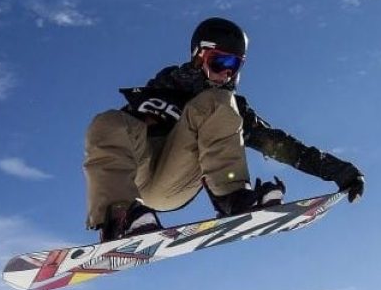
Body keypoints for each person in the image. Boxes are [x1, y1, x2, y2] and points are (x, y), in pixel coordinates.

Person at [83, 17, 365, 242]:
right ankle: (120, 216)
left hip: (173, 181)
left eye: (235, 66)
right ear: (198, 57)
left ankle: (234, 196)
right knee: (108, 121)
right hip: (135, 177)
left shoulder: (227, 108)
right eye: (221, 62)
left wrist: (338, 170)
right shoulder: (161, 88)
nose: (227, 73)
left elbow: (281, 145)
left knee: (216, 101)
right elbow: (115, 139)